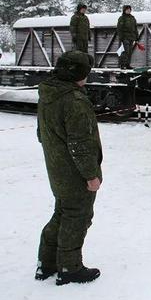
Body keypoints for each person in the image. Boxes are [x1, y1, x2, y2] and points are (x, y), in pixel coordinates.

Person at [35, 51, 103, 285]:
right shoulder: (73, 100)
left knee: (63, 211)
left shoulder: (49, 93)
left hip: (56, 166)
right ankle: (70, 267)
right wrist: (91, 175)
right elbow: (80, 144)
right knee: (78, 215)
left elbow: (41, 134)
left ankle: (47, 262)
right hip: (74, 171)